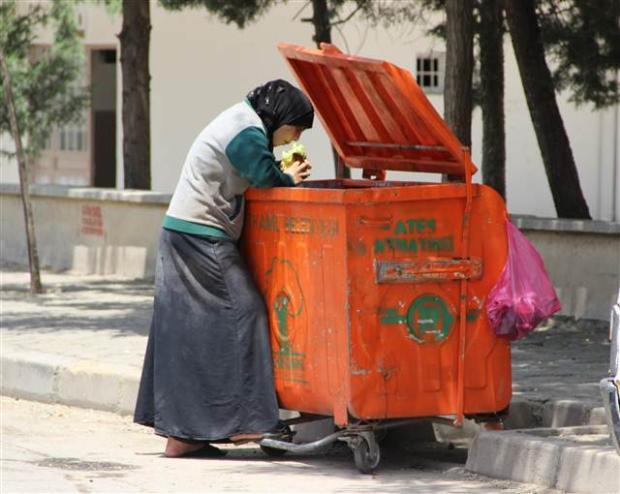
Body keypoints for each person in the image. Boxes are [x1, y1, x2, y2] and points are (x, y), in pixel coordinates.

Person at [134, 80, 314, 458]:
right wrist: (288, 176)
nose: (293, 138)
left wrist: (280, 164)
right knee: (245, 314)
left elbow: (251, 166)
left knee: (189, 336)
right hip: (201, 237)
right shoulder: (246, 129)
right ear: (278, 117)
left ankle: (185, 435)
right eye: (294, 129)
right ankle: (253, 423)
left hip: (180, 234)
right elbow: (264, 176)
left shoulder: (240, 121)